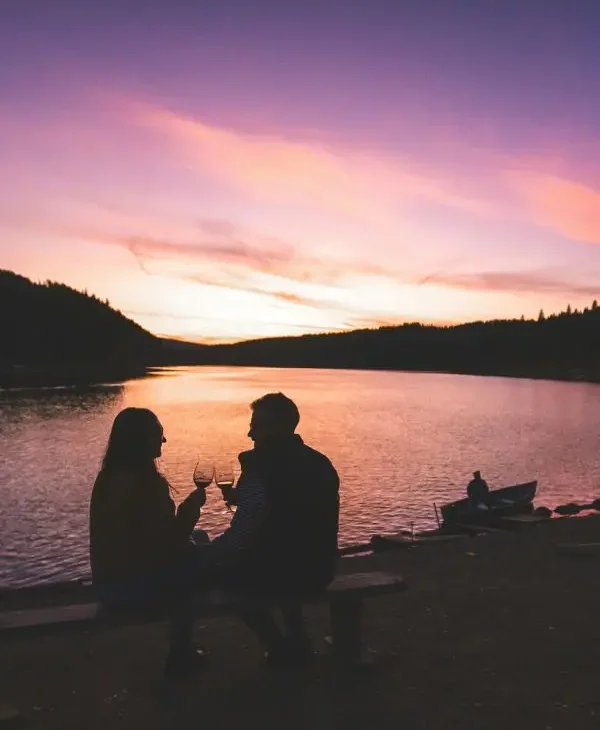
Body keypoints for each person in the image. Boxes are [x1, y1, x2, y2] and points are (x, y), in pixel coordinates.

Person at [208, 392, 340, 666]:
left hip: (277, 572)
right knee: (285, 552)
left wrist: (206, 552)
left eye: (256, 426)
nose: (250, 433)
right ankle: (298, 638)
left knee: (222, 578)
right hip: (319, 569)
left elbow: (241, 536)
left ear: (277, 428)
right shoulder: (320, 463)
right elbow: (292, 513)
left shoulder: (260, 470)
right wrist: (248, 499)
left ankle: (278, 647)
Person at [89, 407, 208, 679]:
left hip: (106, 582)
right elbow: (164, 548)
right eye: (159, 434)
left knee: (199, 542)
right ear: (140, 440)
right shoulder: (145, 484)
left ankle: (183, 650)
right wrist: (188, 514)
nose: (164, 440)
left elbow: (149, 540)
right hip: (129, 589)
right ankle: (180, 654)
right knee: (201, 559)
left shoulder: (107, 477)